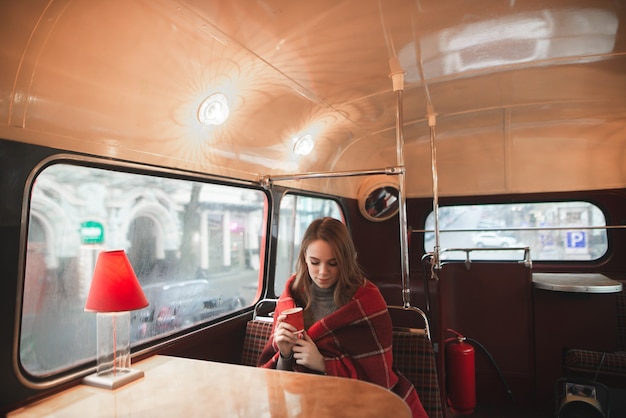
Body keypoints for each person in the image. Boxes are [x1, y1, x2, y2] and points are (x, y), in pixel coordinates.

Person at [258, 217, 428, 418]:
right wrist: (285, 354)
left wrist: (323, 363)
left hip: (351, 404)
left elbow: (377, 376)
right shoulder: (291, 297)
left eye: (333, 263)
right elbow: (273, 375)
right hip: (299, 400)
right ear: (304, 257)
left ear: (346, 260)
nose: (322, 272)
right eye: (315, 262)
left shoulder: (367, 302)